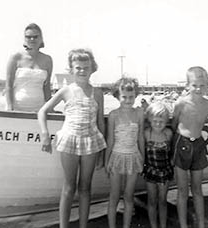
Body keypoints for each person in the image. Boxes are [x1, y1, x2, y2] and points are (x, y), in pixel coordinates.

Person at [38, 48, 106, 228]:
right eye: (78, 67)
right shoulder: (65, 90)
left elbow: (101, 123)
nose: (82, 71)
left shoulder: (97, 93)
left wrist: (102, 152)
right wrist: (45, 134)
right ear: (71, 69)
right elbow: (42, 111)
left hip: (91, 143)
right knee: (69, 187)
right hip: (69, 140)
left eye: (86, 67)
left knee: (85, 187)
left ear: (92, 68)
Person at [172, 66, 208, 228]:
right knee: (182, 190)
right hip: (181, 143)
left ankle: (201, 224)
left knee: (197, 189)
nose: (198, 88)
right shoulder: (181, 103)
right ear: (188, 85)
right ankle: (183, 225)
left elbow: (201, 123)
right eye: (195, 85)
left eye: (202, 85)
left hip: (198, 145)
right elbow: (174, 123)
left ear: (207, 85)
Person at [105, 77, 145, 228]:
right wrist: (107, 161)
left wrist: (143, 158)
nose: (128, 100)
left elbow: (140, 137)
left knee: (129, 196)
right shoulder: (113, 115)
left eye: (131, 97)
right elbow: (110, 140)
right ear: (117, 96)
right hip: (116, 157)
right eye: (124, 97)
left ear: (135, 96)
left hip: (134, 157)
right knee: (114, 195)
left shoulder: (139, 113)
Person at [6, 23, 53, 112]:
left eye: (35, 37)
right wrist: (9, 107)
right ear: (24, 39)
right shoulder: (15, 57)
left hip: (39, 109)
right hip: (17, 108)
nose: (32, 39)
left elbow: (46, 87)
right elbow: (9, 85)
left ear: (41, 38)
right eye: (28, 37)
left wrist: (50, 108)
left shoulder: (47, 60)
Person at [142, 101, 173, 228]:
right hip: (150, 171)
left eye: (161, 121)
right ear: (150, 120)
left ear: (166, 121)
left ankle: (163, 225)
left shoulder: (168, 134)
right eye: (155, 121)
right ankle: (154, 225)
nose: (158, 124)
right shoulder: (147, 133)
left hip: (165, 171)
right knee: (152, 200)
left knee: (162, 200)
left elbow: (171, 152)